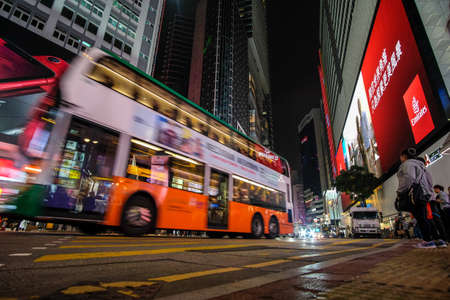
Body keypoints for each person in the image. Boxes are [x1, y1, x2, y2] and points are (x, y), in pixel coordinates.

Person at [396, 148, 446, 248]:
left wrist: (400, 192)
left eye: (401, 156)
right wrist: (430, 195)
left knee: (421, 218)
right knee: (428, 217)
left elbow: (409, 178)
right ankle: (438, 240)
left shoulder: (407, 164)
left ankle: (428, 241)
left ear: (404, 156)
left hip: (416, 195)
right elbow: (430, 181)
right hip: (426, 195)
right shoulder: (421, 166)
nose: (400, 158)